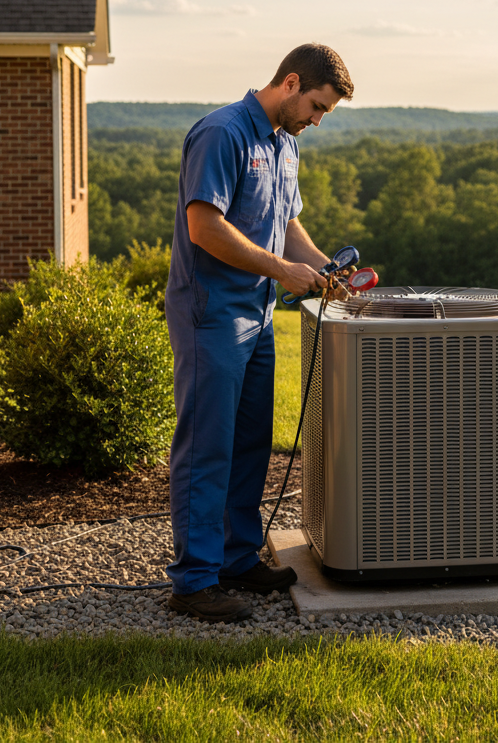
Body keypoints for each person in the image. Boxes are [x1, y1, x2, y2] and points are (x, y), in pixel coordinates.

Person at [164, 43, 354, 623]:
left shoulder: (285, 143)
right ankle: (194, 582)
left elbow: (286, 223)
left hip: (259, 314)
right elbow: (205, 228)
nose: (317, 121)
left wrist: (321, 269)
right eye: (317, 106)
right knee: (207, 446)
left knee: (250, 441)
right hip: (212, 314)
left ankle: (236, 556)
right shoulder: (221, 134)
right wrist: (282, 271)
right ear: (291, 82)